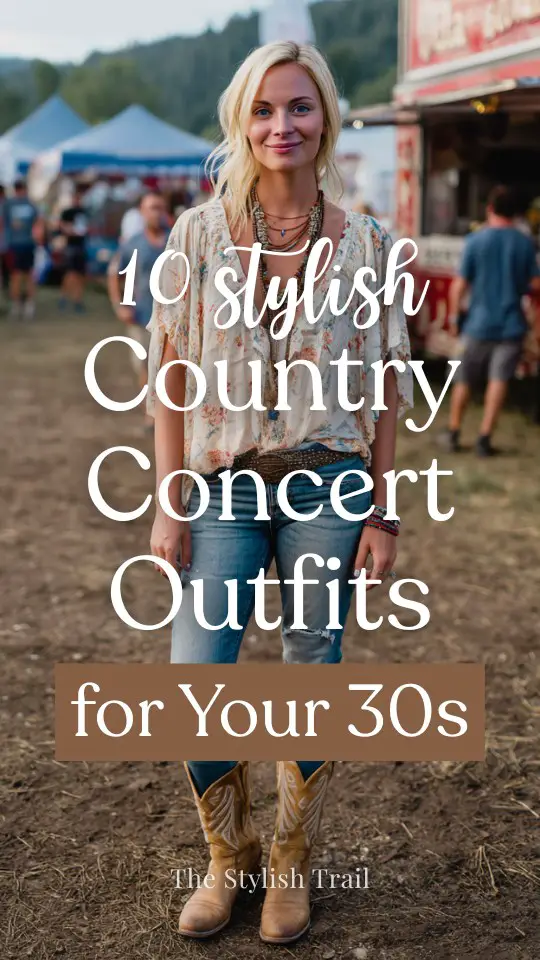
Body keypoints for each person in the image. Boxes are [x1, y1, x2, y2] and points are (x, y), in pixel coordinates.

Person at [146, 41, 413, 945]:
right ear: (240, 121)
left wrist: (382, 508)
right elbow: (170, 377)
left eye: (299, 108)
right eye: (263, 111)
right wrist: (167, 497)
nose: (281, 126)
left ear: (326, 118)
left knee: (312, 667)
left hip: (329, 483)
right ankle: (230, 858)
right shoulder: (194, 235)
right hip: (221, 486)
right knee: (197, 675)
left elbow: (384, 389)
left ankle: (291, 864)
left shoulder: (370, 241)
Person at [446, 185, 540, 456]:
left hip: (477, 323)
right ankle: (484, 438)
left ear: (489, 209)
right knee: (499, 380)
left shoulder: (476, 241)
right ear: (517, 213)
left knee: (464, 379)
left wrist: (454, 317)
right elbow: (534, 282)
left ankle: (453, 431)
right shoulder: (524, 243)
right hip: (511, 324)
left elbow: (459, 285)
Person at [107, 190, 168, 429]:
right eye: (151, 208)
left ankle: (170, 416)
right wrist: (120, 304)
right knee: (144, 366)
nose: (156, 213)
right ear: (142, 213)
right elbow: (114, 274)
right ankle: (150, 414)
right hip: (141, 316)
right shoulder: (132, 244)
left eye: (160, 208)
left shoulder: (177, 239)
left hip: (173, 318)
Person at [3, 179, 42, 319]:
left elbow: (39, 223)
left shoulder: (31, 204)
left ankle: (28, 305)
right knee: (17, 275)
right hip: (14, 245)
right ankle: (17, 305)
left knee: (27, 275)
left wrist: (38, 236)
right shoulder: (9, 204)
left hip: (28, 244)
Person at [58, 185, 89, 312]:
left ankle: (77, 299)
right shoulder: (67, 212)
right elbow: (62, 227)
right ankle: (64, 297)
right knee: (70, 274)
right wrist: (72, 231)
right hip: (71, 246)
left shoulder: (84, 212)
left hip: (81, 245)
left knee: (80, 275)